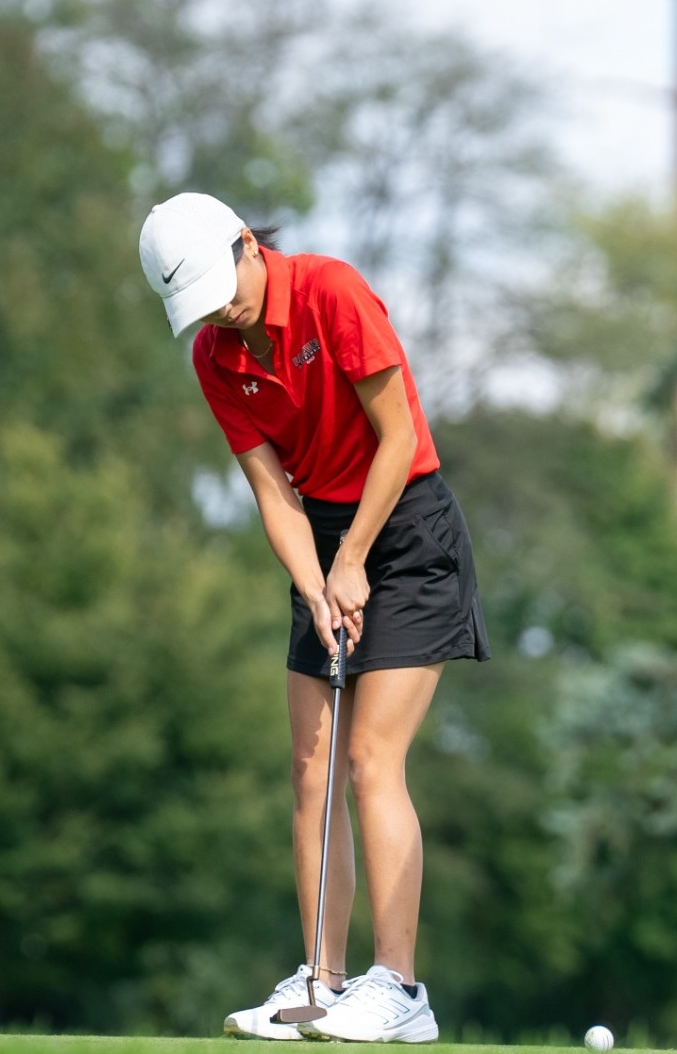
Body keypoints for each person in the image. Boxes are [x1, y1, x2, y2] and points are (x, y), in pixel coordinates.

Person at [138, 193, 489, 1044]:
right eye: (201, 306)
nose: (220, 312)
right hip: (323, 543)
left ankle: (398, 986)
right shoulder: (217, 357)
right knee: (312, 767)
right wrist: (316, 582)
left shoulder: (331, 292)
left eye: (222, 287)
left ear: (247, 245)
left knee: (370, 758)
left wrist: (354, 559)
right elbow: (272, 491)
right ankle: (321, 984)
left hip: (405, 530)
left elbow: (398, 436)